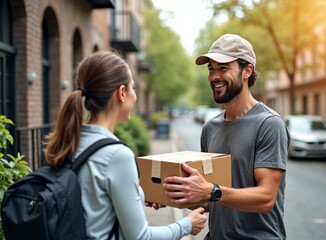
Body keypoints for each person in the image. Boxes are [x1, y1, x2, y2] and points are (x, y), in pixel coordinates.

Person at [43, 50, 207, 239]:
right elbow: (140, 237)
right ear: (122, 93)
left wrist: (139, 194)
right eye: (133, 88)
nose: (135, 95)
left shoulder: (69, 140)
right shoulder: (116, 155)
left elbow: (92, 203)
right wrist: (186, 224)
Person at [163, 34, 290, 239]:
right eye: (211, 69)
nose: (214, 76)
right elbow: (211, 197)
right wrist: (170, 196)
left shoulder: (269, 124)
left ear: (247, 71)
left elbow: (266, 198)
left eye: (223, 68)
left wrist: (210, 191)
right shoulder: (210, 128)